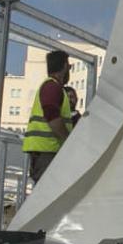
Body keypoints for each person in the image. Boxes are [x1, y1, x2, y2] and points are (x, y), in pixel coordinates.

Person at [22, 50, 74, 183]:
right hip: (47, 153)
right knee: (46, 193)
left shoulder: (54, 87)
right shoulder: (52, 87)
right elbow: (52, 117)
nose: (69, 70)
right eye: (69, 67)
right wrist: (69, 141)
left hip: (46, 152)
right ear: (63, 66)